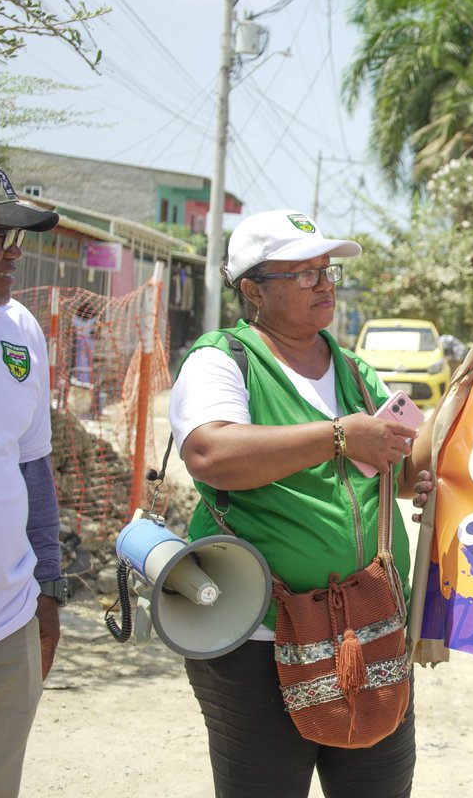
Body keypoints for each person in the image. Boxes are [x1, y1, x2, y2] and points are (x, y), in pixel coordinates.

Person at [169, 210, 431, 798]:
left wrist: (425, 468)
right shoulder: (222, 359)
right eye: (304, 273)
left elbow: (403, 462)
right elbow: (211, 452)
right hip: (256, 638)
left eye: (327, 270)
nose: (325, 283)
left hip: (366, 633)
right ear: (254, 290)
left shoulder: (356, 372)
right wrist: (338, 436)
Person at [0, 164, 67, 798]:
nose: (11, 254)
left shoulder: (19, 330)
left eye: (15, 237)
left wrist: (48, 585)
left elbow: (30, 464)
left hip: (9, 618)